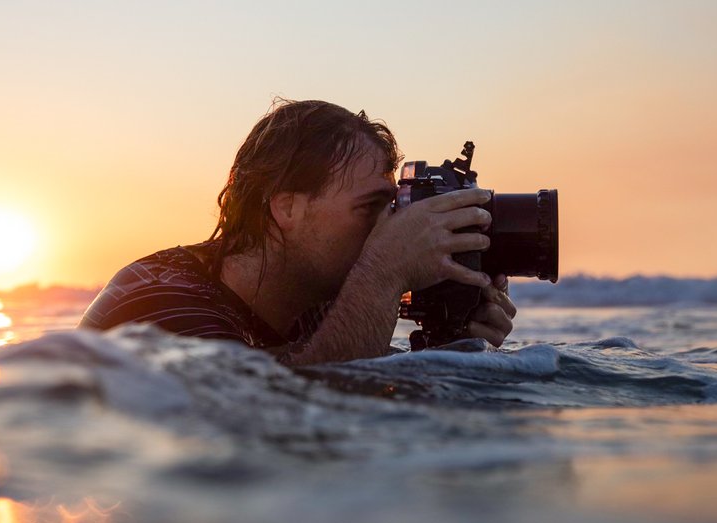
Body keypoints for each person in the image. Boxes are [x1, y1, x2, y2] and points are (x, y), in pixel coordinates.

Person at [79, 99, 517, 365]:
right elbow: (275, 413)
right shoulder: (157, 304)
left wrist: (453, 348)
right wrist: (383, 273)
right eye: (370, 209)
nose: (387, 229)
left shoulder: (318, 304)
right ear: (286, 207)